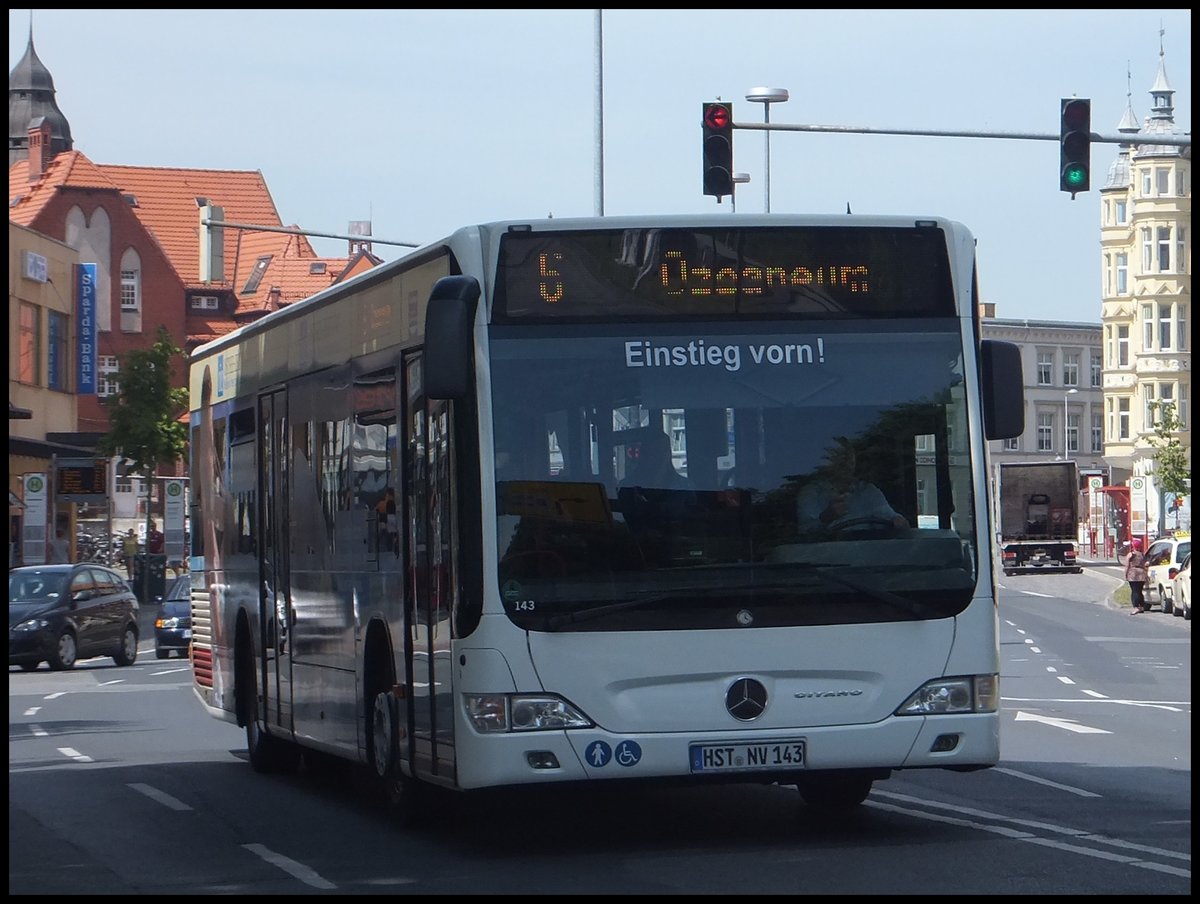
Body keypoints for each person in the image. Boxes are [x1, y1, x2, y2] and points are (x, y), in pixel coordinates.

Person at [796, 436, 909, 535]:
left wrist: (898, 520)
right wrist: (826, 517)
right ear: (827, 461)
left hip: (868, 554)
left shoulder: (867, 491)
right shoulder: (811, 493)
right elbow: (803, 534)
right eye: (840, 456)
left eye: (849, 457)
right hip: (824, 555)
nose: (846, 462)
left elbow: (888, 515)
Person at [1125, 537, 1149, 614]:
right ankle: (1141, 606)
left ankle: (1136, 607)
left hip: (1133, 574)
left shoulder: (1131, 554)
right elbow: (1146, 564)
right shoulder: (1142, 554)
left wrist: (1125, 575)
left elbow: (1127, 566)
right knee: (1139, 590)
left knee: (1134, 591)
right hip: (1141, 573)